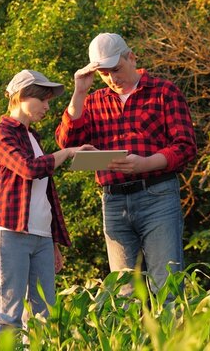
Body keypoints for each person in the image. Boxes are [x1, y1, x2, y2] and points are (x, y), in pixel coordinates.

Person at [55, 33, 197, 298]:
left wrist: (145, 164)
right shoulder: (93, 100)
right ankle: (133, 340)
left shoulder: (164, 92)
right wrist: (79, 92)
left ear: (131, 58)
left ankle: (171, 338)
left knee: (166, 283)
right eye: (104, 74)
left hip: (158, 194)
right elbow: (68, 142)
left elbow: (185, 145)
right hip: (114, 201)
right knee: (123, 291)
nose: (112, 79)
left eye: (116, 70)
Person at [0, 69, 92, 338]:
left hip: (41, 237)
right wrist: (66, 152)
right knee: (9, 317)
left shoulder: (33, 138)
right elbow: (28, 169)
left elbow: (44, 196)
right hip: (10, 233)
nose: (46, 107)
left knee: (45, 317)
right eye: (42, 100)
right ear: (21, 97)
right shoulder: (1, 133)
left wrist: (53, 243)